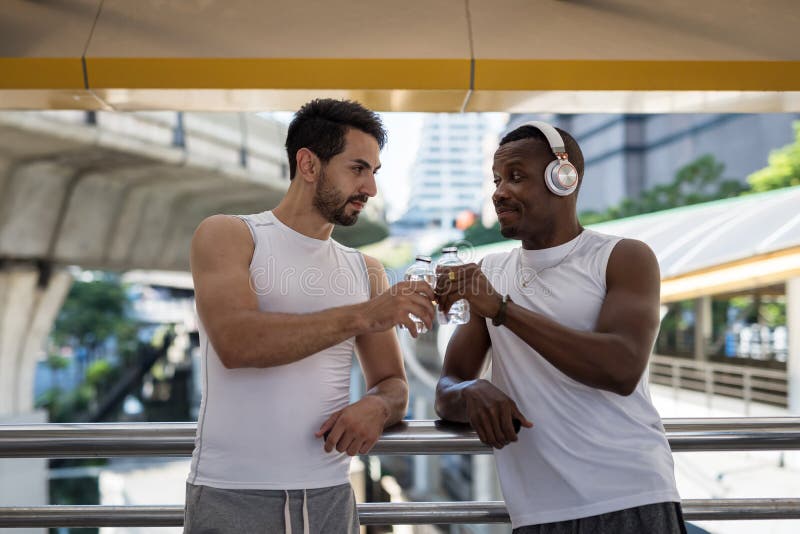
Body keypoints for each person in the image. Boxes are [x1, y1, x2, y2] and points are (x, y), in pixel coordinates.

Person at [185, 99, 435, 534]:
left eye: (374, 172)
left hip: (329, 497)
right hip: (231, 495)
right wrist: (364, 315)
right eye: (357, 169)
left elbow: (394, 384)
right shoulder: (229, 235)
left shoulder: (366, 270)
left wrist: (376, 406)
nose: (371, 188)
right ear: (308, 164)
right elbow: (237, 343)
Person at [434, 121, 684, 533]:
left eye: (516, 177)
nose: (499, 192)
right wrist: (471, 390)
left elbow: (620, 369)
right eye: (496, 179)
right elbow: (446, 391)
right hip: (537, 512)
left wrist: (501, 309)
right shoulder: (490, 272)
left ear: (563, 179)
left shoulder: (623, 257)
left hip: (631, 498)